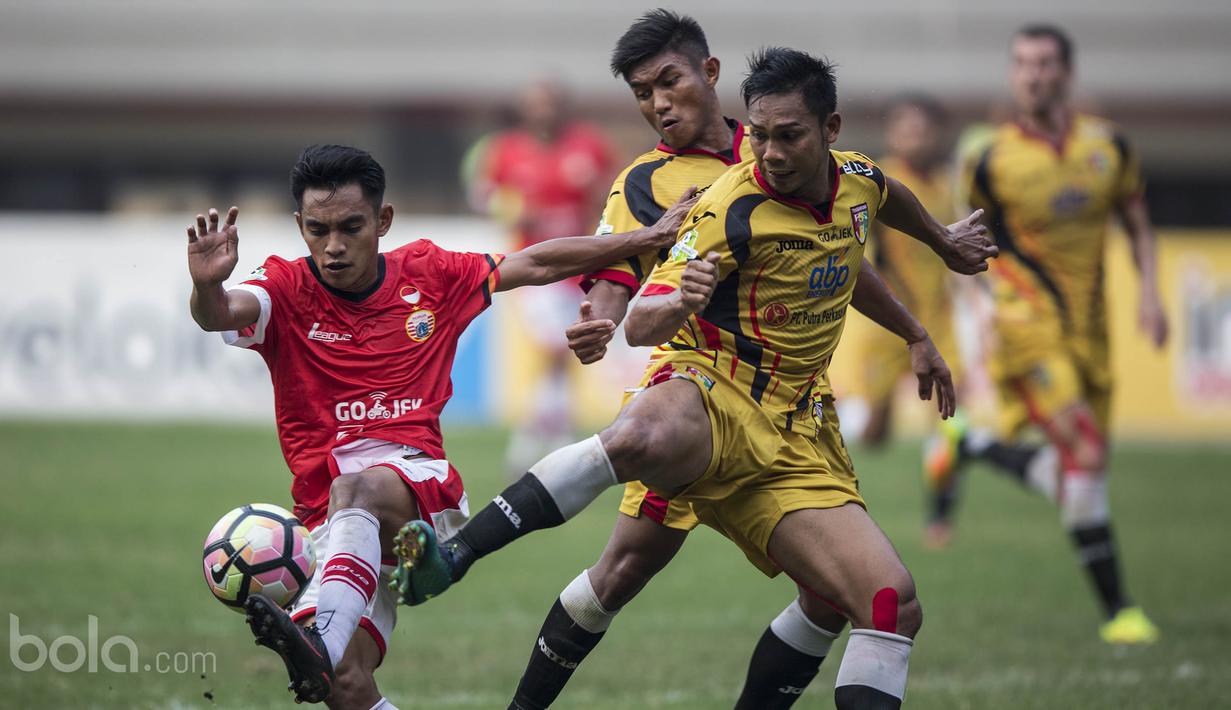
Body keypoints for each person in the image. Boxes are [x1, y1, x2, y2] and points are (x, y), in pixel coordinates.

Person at [394, 47, 997, 710]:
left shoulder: (814, 161)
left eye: (668, 82)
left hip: (796, 421)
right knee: (626, 526)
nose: (657, 102)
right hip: (704, 397)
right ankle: (459, 555)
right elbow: (627, 290)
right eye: (641, 92)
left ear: (709, 75)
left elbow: (855, 233)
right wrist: (613, 312)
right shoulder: (673, 189)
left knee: (863, 601)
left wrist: (932, 276)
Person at [186, 144, 694, 706]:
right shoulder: (283, 287)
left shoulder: (430, 272)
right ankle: (325, 648)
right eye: (317, 229)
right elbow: (221, 315)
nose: (333, 246)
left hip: (417, 489)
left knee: (354, 496)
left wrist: (644, 239)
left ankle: (318, 638)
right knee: (345, 683)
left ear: (382, 221)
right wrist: (208, 285)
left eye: (350, 227)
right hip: (325, 516)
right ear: (300, 227)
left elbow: (537, 263)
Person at [928, 24, 1167, 644]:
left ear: (1066, 72)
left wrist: (1149, 292)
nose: (1033, 74)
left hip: (1091, 328)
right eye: (1022, 64)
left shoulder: (1109, 146)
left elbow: (1137, 222)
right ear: (1014, 75)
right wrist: (979, 305)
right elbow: (962, 240)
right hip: (1023, 324)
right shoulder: (989, 157)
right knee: (1083, 453)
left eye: (1044, 63)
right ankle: (1120, 611)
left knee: (1082, 475)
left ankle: (977, 448)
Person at [466, 79, 617, 478]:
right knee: (556, 345)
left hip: (581, 264)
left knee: (566, 350)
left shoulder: (589, 146)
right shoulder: (507, 151)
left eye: (549, 103)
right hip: (532, 267)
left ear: (562, 106)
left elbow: (613, 191)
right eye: (535, 104)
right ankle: (535, 436)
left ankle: (553, 434)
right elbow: (483, 195)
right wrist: (512, 211)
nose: (542, 111)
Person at [847, 94, 968, 548]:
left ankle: (939, 518)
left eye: (921, 129)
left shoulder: (946, 189)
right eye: (904, 129)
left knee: (951, 423)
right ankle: (830, 416)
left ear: (936, 135)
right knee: (876, 433)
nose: (912, 138)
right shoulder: (875, 181)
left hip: (940, 322)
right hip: (887, 325)